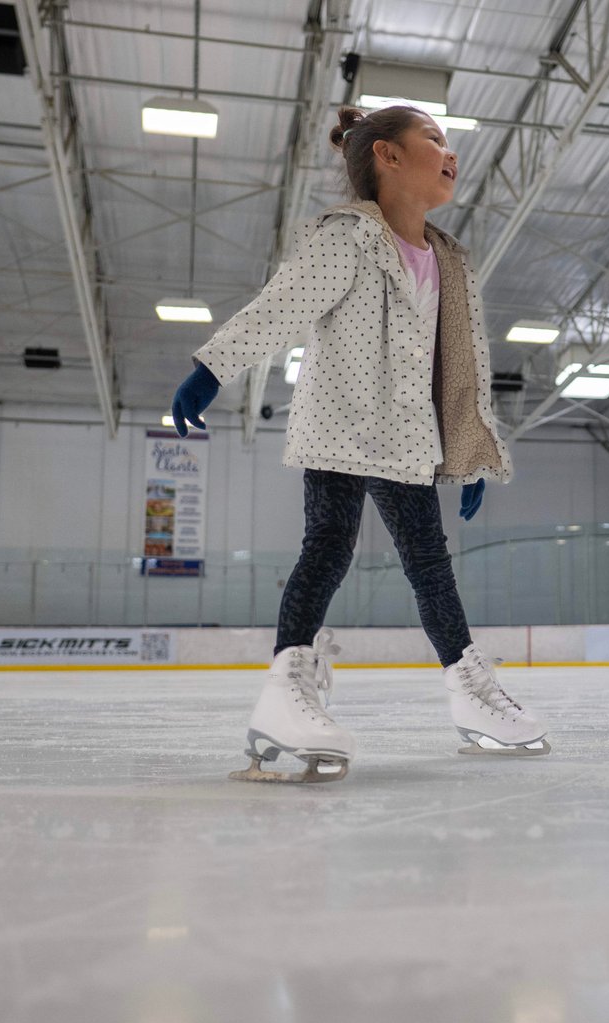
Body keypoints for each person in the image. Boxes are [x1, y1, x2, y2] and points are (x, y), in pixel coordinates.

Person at [169, 105, 550, 783]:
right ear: (388, 156)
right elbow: (282, 305)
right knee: (329, 544)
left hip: (407, 436)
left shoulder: (448, 260)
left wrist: (467, 454)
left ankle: (470, 691)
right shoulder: (347, 237)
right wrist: (212, 369)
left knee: (430, 564)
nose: (449, 150)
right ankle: (285, 689)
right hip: (340, 421)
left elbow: (459, 365)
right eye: (433, 137)